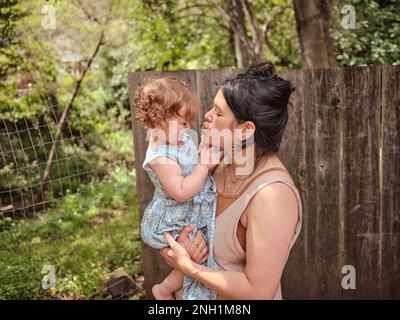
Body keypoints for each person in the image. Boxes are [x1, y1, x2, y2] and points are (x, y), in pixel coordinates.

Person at [161, 62, 303, 300]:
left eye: (218, 113)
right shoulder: (212, 165)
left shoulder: (272, 194)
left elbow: (258, 291)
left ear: (245, 130)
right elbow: (168, 219)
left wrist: (187, 267)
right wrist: (178, 245)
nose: (206, 116)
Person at [133, 77, 221, 300]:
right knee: (196, 257)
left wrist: (200, 156)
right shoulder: (161, 156)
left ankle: (174, 289)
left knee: (198, 255)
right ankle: (164, 289)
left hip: (187, 212)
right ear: (160, 121)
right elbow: (181, 190)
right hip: (173, 218)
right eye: (183, 123)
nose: (189, 127)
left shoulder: (177, 140)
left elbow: (189, 165)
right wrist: (203, 166)